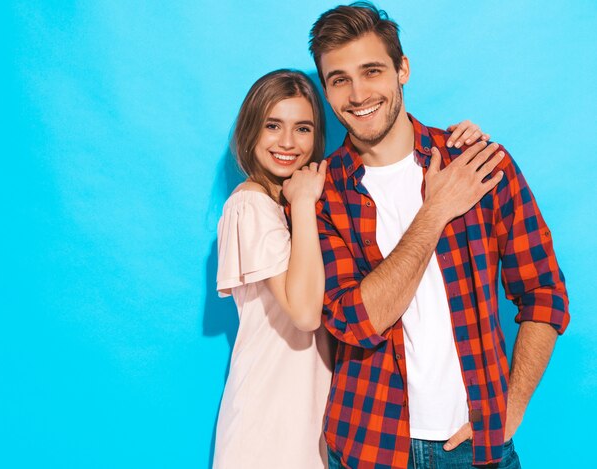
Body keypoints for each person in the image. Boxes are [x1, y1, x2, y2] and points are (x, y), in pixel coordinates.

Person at [308, 3, 570, 469]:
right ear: (326, 90)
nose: (358, 92)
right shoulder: (321, 195)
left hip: (476, 447)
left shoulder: (479, 164)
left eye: (372, 71)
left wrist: (512, 406)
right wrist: (435, 210)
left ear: (402, 69)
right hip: (368, 445)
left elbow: (544, 292)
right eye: (339, 78)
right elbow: (357, 321)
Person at [213, 68, 492, 468]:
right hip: (271, 418)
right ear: (250, 130)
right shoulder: (251, 204)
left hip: (314, 415)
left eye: (303, 128)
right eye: (273, 125)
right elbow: (306, 313)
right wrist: (306, 204)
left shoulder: (292, 200)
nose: (288, 142)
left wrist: (454, 140)